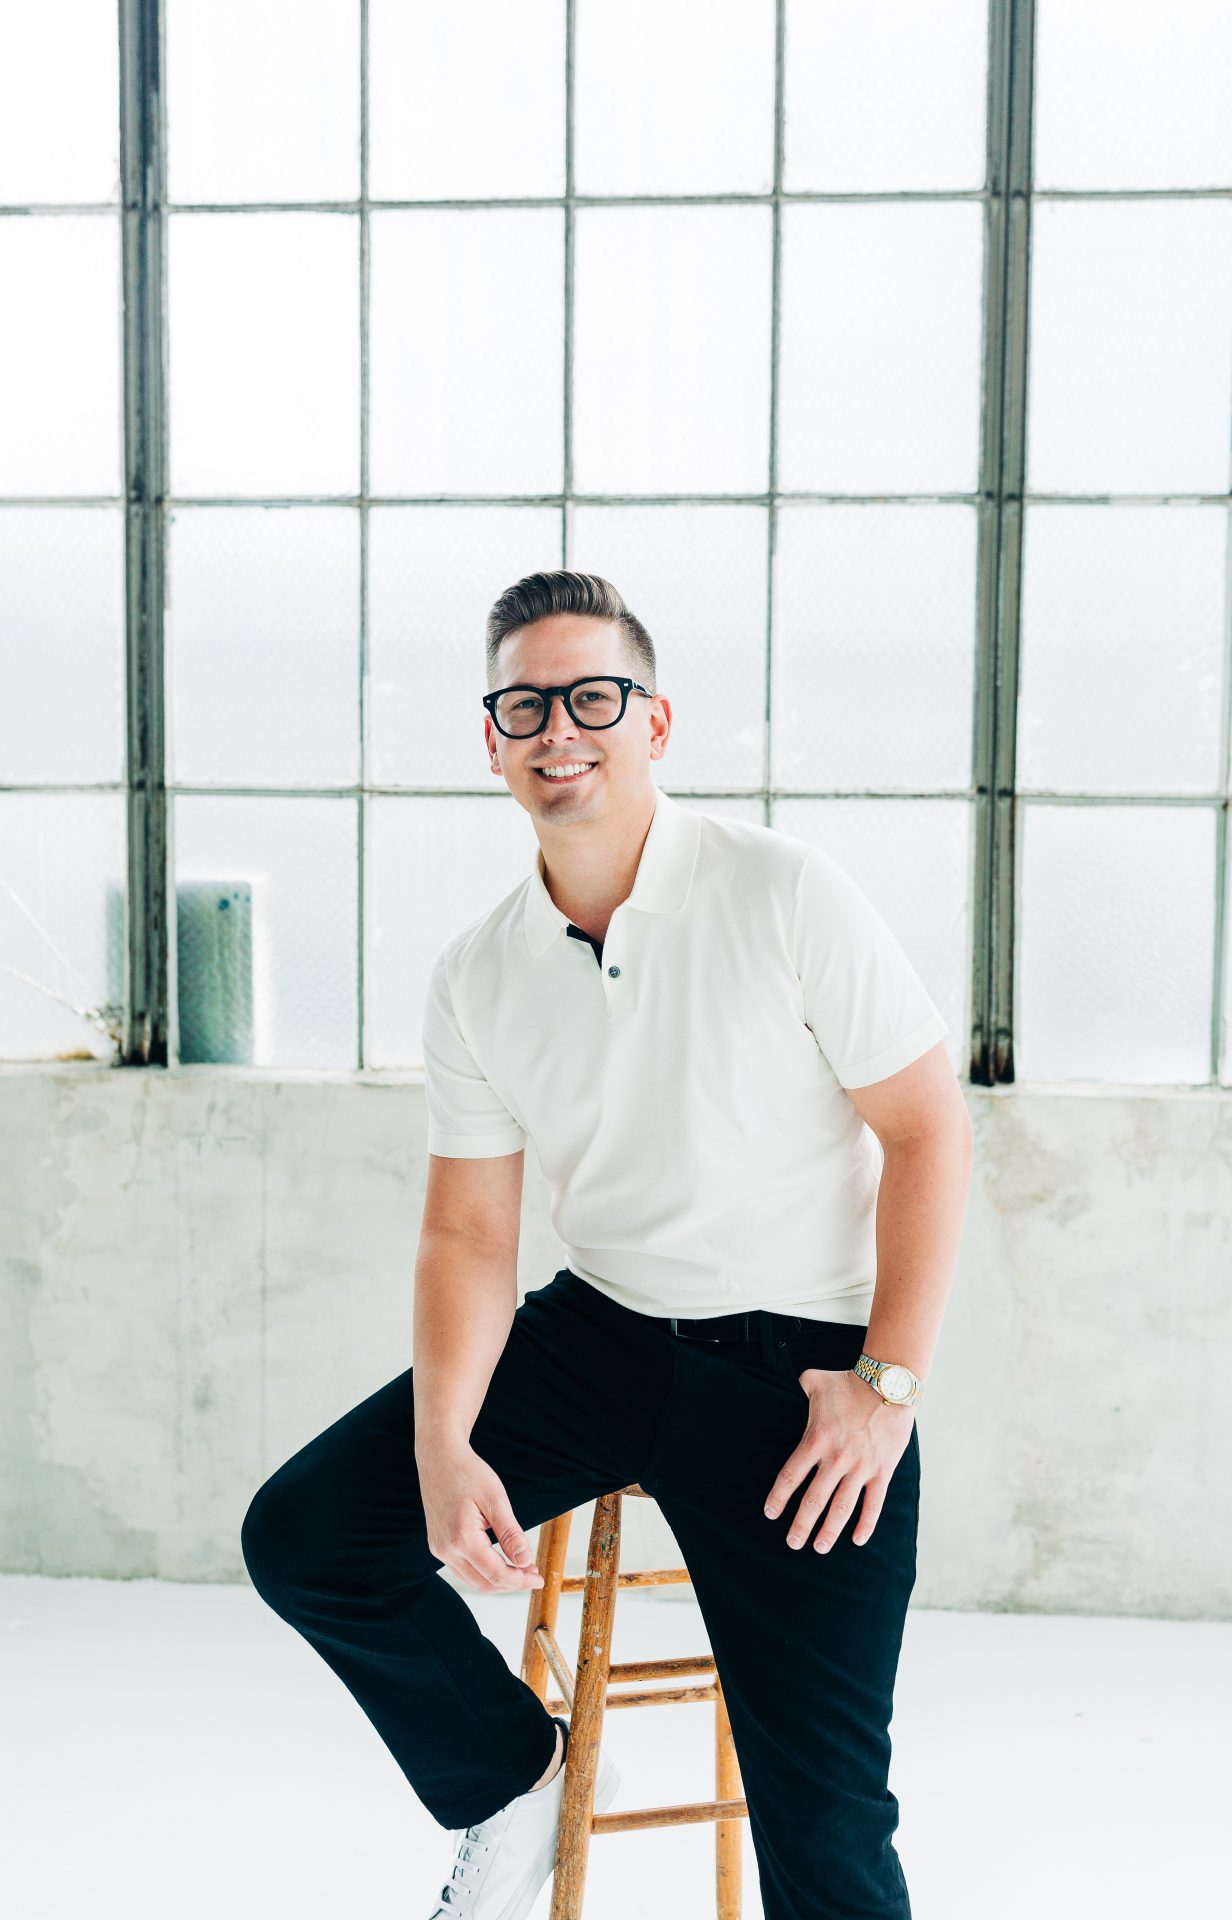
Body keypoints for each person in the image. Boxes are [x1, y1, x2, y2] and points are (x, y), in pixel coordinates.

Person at [241, 569, 974, 1919]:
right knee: (308, 1537)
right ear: (492, 737)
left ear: (655, 721)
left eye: (592, 697)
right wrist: (444, 1441)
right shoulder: (481, 969)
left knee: (825, 1829)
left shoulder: (784, 891)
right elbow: (468, 1229)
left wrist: (887, 1389)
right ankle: (511, 1782)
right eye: (525, 704)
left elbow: (930, 1135)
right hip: (600, 1337)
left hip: (797, 1379)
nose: (556, 729)